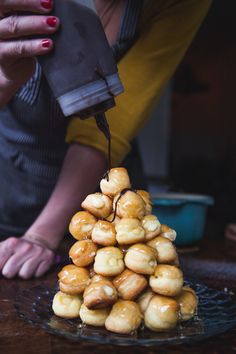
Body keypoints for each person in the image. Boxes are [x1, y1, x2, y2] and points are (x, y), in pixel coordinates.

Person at [0, 0, 212, 279]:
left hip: (104, 191)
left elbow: (112, 124)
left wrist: (41, 234)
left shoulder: (180, 5)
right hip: (13, 183)